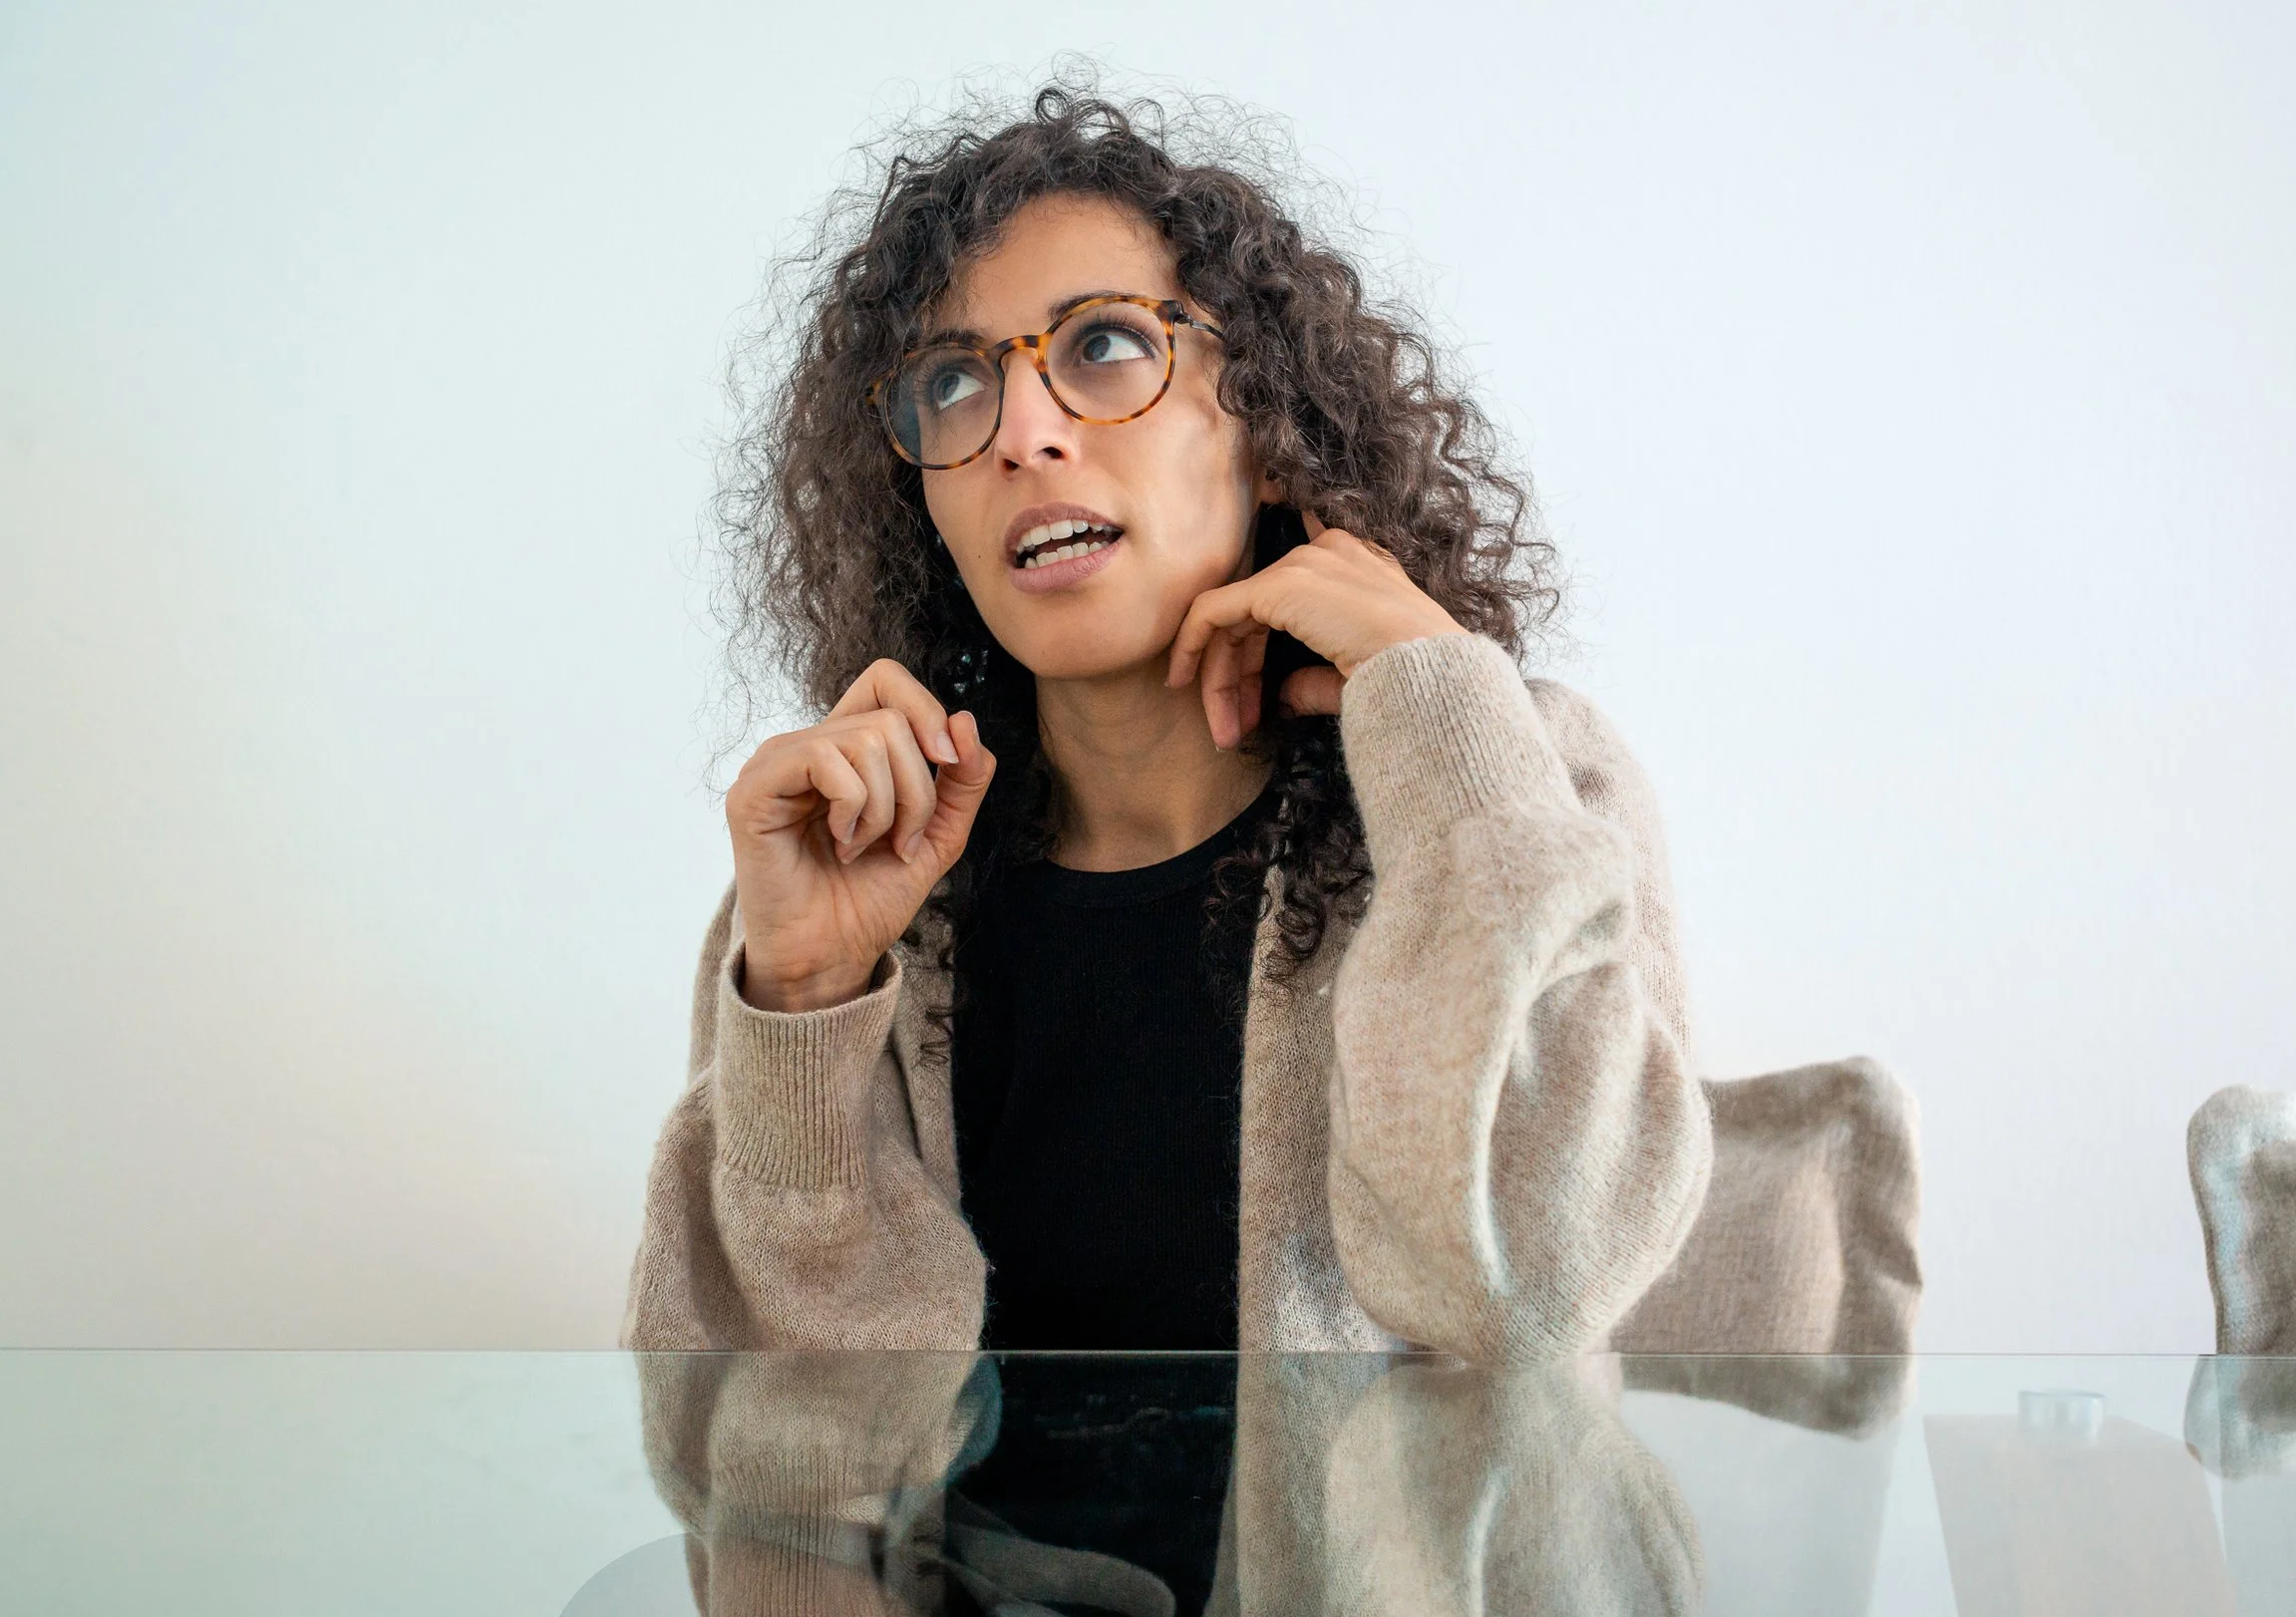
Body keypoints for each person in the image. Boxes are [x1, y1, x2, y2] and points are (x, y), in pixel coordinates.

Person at [623, 80, 1710, 1362]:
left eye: (1103, 346)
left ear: (1266, 422)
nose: (1021, 433)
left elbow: (1535, 1283)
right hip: (975, 1575)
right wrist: (803, 998)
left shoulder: (1520, 776)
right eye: (955, 382)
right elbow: (765, 1446)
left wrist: (1438, 700)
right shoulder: (868, 864)